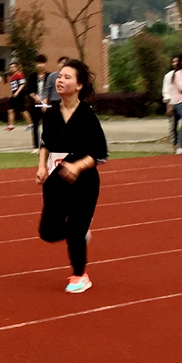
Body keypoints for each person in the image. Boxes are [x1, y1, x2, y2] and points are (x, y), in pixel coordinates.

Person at [35, 59, 108, 294]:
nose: (60, 80)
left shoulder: (87, 115)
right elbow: (45, 143)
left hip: (83, 182)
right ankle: (80, 231)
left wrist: (77, 166)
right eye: (59, 76)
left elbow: (100, 153)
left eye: (67, 77)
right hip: (55, 180)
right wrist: (41, 167)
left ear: (79, 85)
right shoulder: (51, 113)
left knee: (75, 232)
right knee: (47, 232)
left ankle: (80, 275)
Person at [26, 54, 50, 153]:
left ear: (45, 64)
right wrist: (34, 97)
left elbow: (50, 90)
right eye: (38, 63)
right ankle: (36, 145)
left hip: (46, 104)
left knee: (47, 125)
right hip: (35, 104)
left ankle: (47, 144)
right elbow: (30, 89)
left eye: (42, 63)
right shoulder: (32, 76)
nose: (40, 65)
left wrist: (45, 101)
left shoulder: (49, 76)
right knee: (35, 125)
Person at [161, 54, 181, 152]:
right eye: (173, 62)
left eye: (177, 61)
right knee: (173, 126)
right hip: (173, 103)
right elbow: (166, 91)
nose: (175, 63)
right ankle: (175, 147)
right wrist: (168, 105)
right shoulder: (168, 76)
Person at [6, 62, 32, 131]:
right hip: (14, 94)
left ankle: (30, 124)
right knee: (10, 110)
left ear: (16, 68)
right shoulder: (12, 77)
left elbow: (22, 84)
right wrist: (12, 93)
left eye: (13, 67)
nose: (11, 69)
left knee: (22, 110)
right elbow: (13, 86)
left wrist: (17, 92)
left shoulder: (19, 74)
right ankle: (11, 125)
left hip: (20, 94)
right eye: (10, 67)